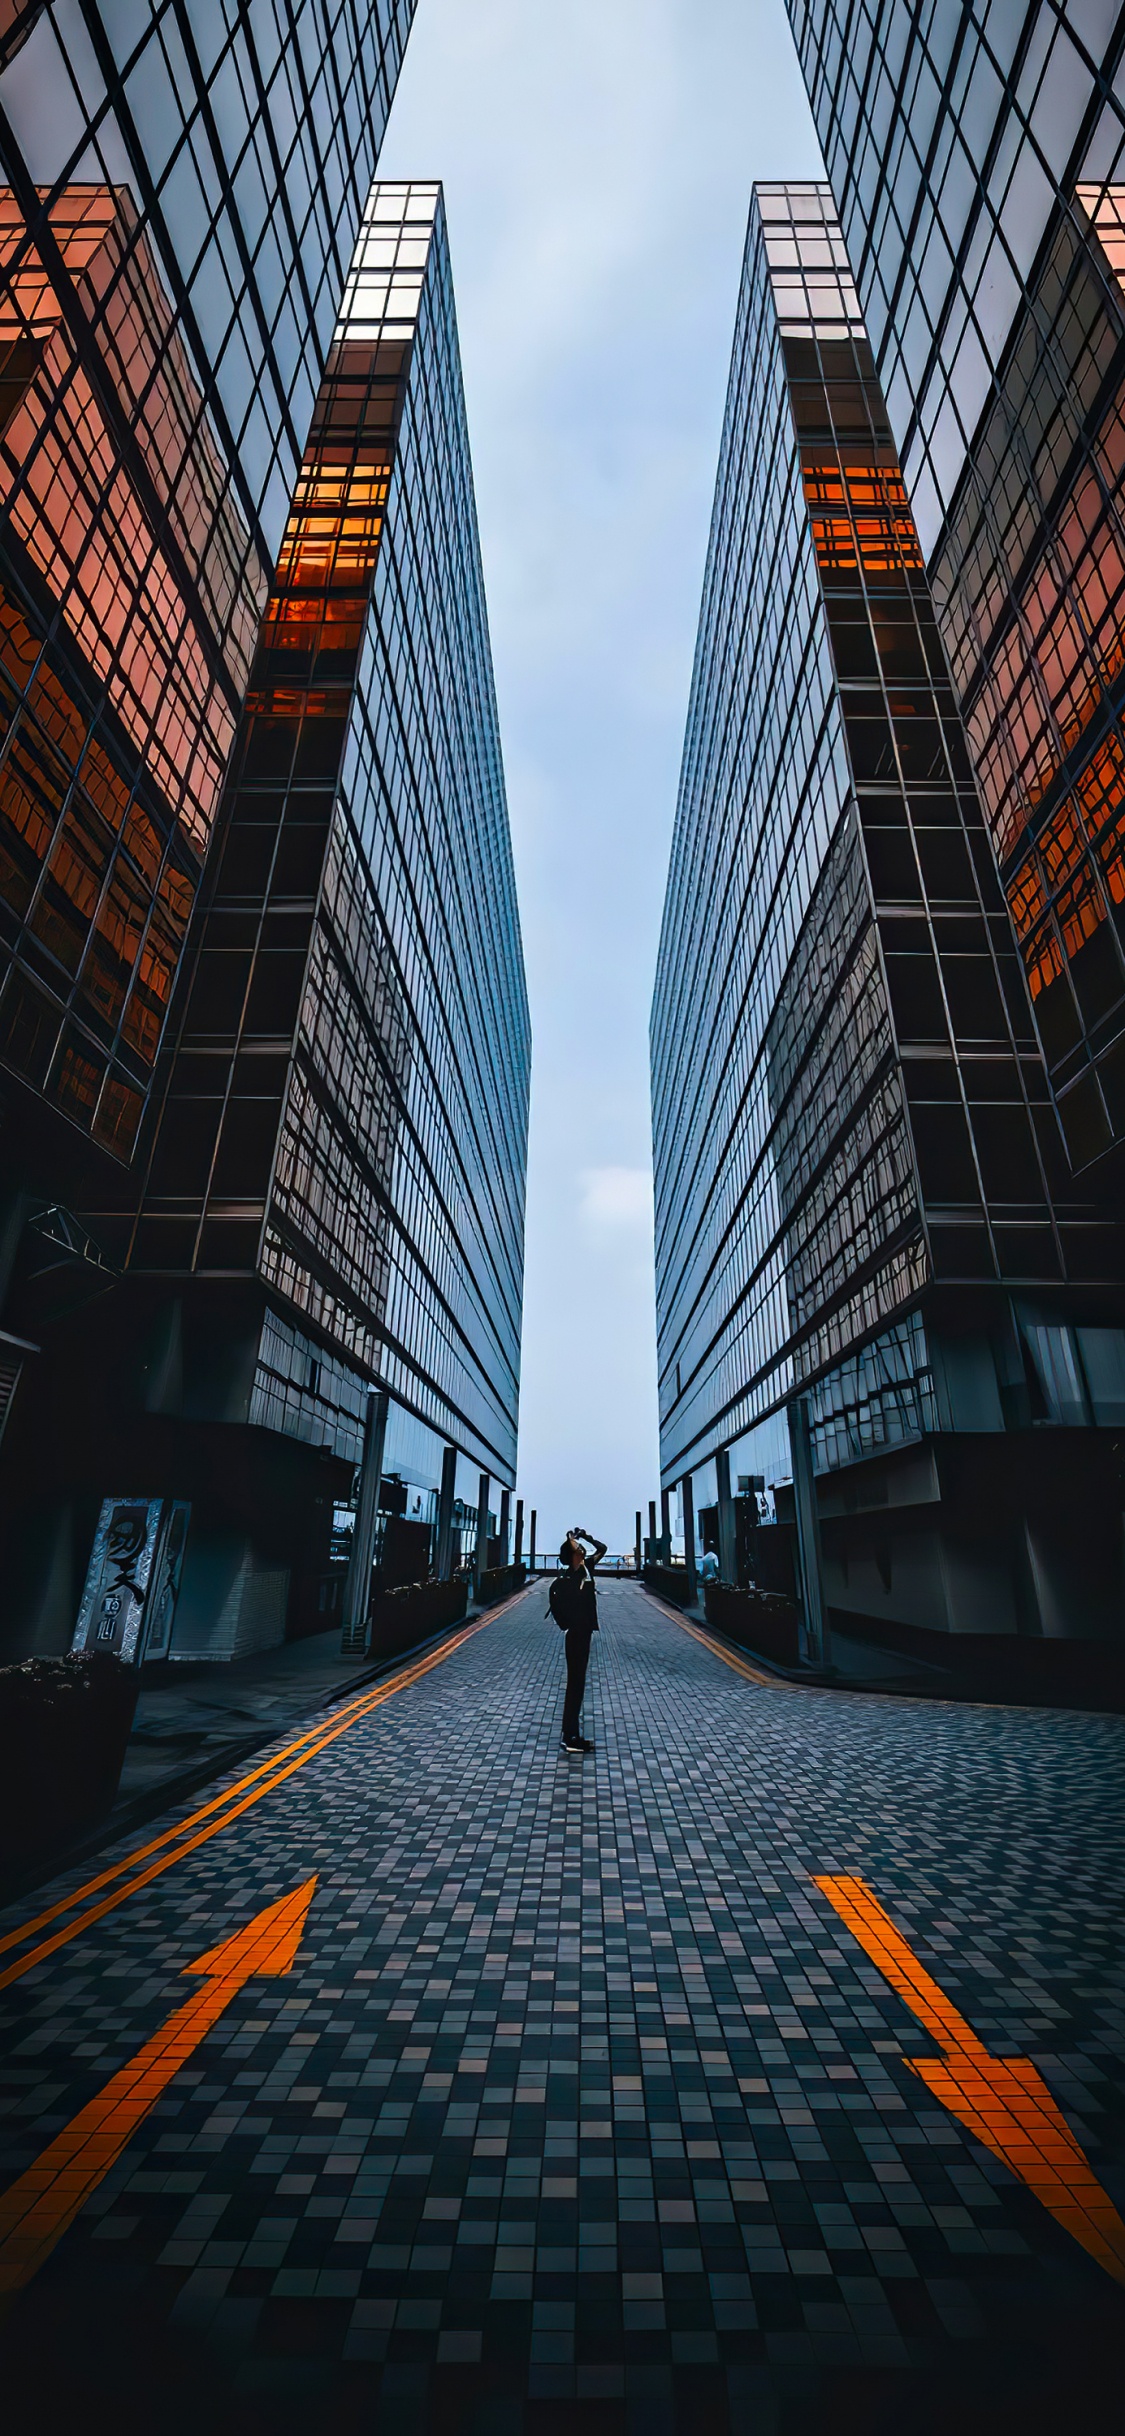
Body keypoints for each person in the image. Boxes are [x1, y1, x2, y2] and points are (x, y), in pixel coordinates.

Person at [550, 1525, 607, 1754]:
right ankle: (569, 1736)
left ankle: (572, 1734)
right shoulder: (571, 1578)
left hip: (583, 1634)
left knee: (578, 1685)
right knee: (575, 1685)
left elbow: (603, 1548)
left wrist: (585, 1536)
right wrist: (569, 1539)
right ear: (572, 1555)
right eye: (578, 1548)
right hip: (575, 1636)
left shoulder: (587, 1568)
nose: (582, 1550)